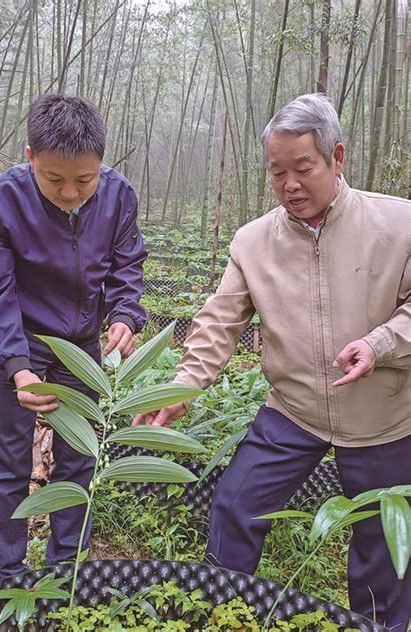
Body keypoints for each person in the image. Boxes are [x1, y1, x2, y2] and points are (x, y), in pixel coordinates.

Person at [133, 93, 410, 629]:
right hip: (295, 411)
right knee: (235, 504)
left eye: (303, 168)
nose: (289, 185)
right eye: (277, 172)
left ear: (337, 156)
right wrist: (182, 387)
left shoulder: (397, 226)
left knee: (382, 550)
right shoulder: (254, 242)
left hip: (385, 419)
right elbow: (220, 321)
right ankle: (220, 610)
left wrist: (380, 343)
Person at [0, 94, 147, 582]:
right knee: (6, 461)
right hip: (21, 343)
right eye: (55, 180)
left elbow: (127, 265)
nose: (71, 193)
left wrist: (126, 315)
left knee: (80, 456)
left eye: (84, 180)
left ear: (102, 164)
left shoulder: (117, 196)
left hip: (84, 346)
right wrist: (17, 366)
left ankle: (68, 568)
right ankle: (5, 575)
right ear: (30, 157)